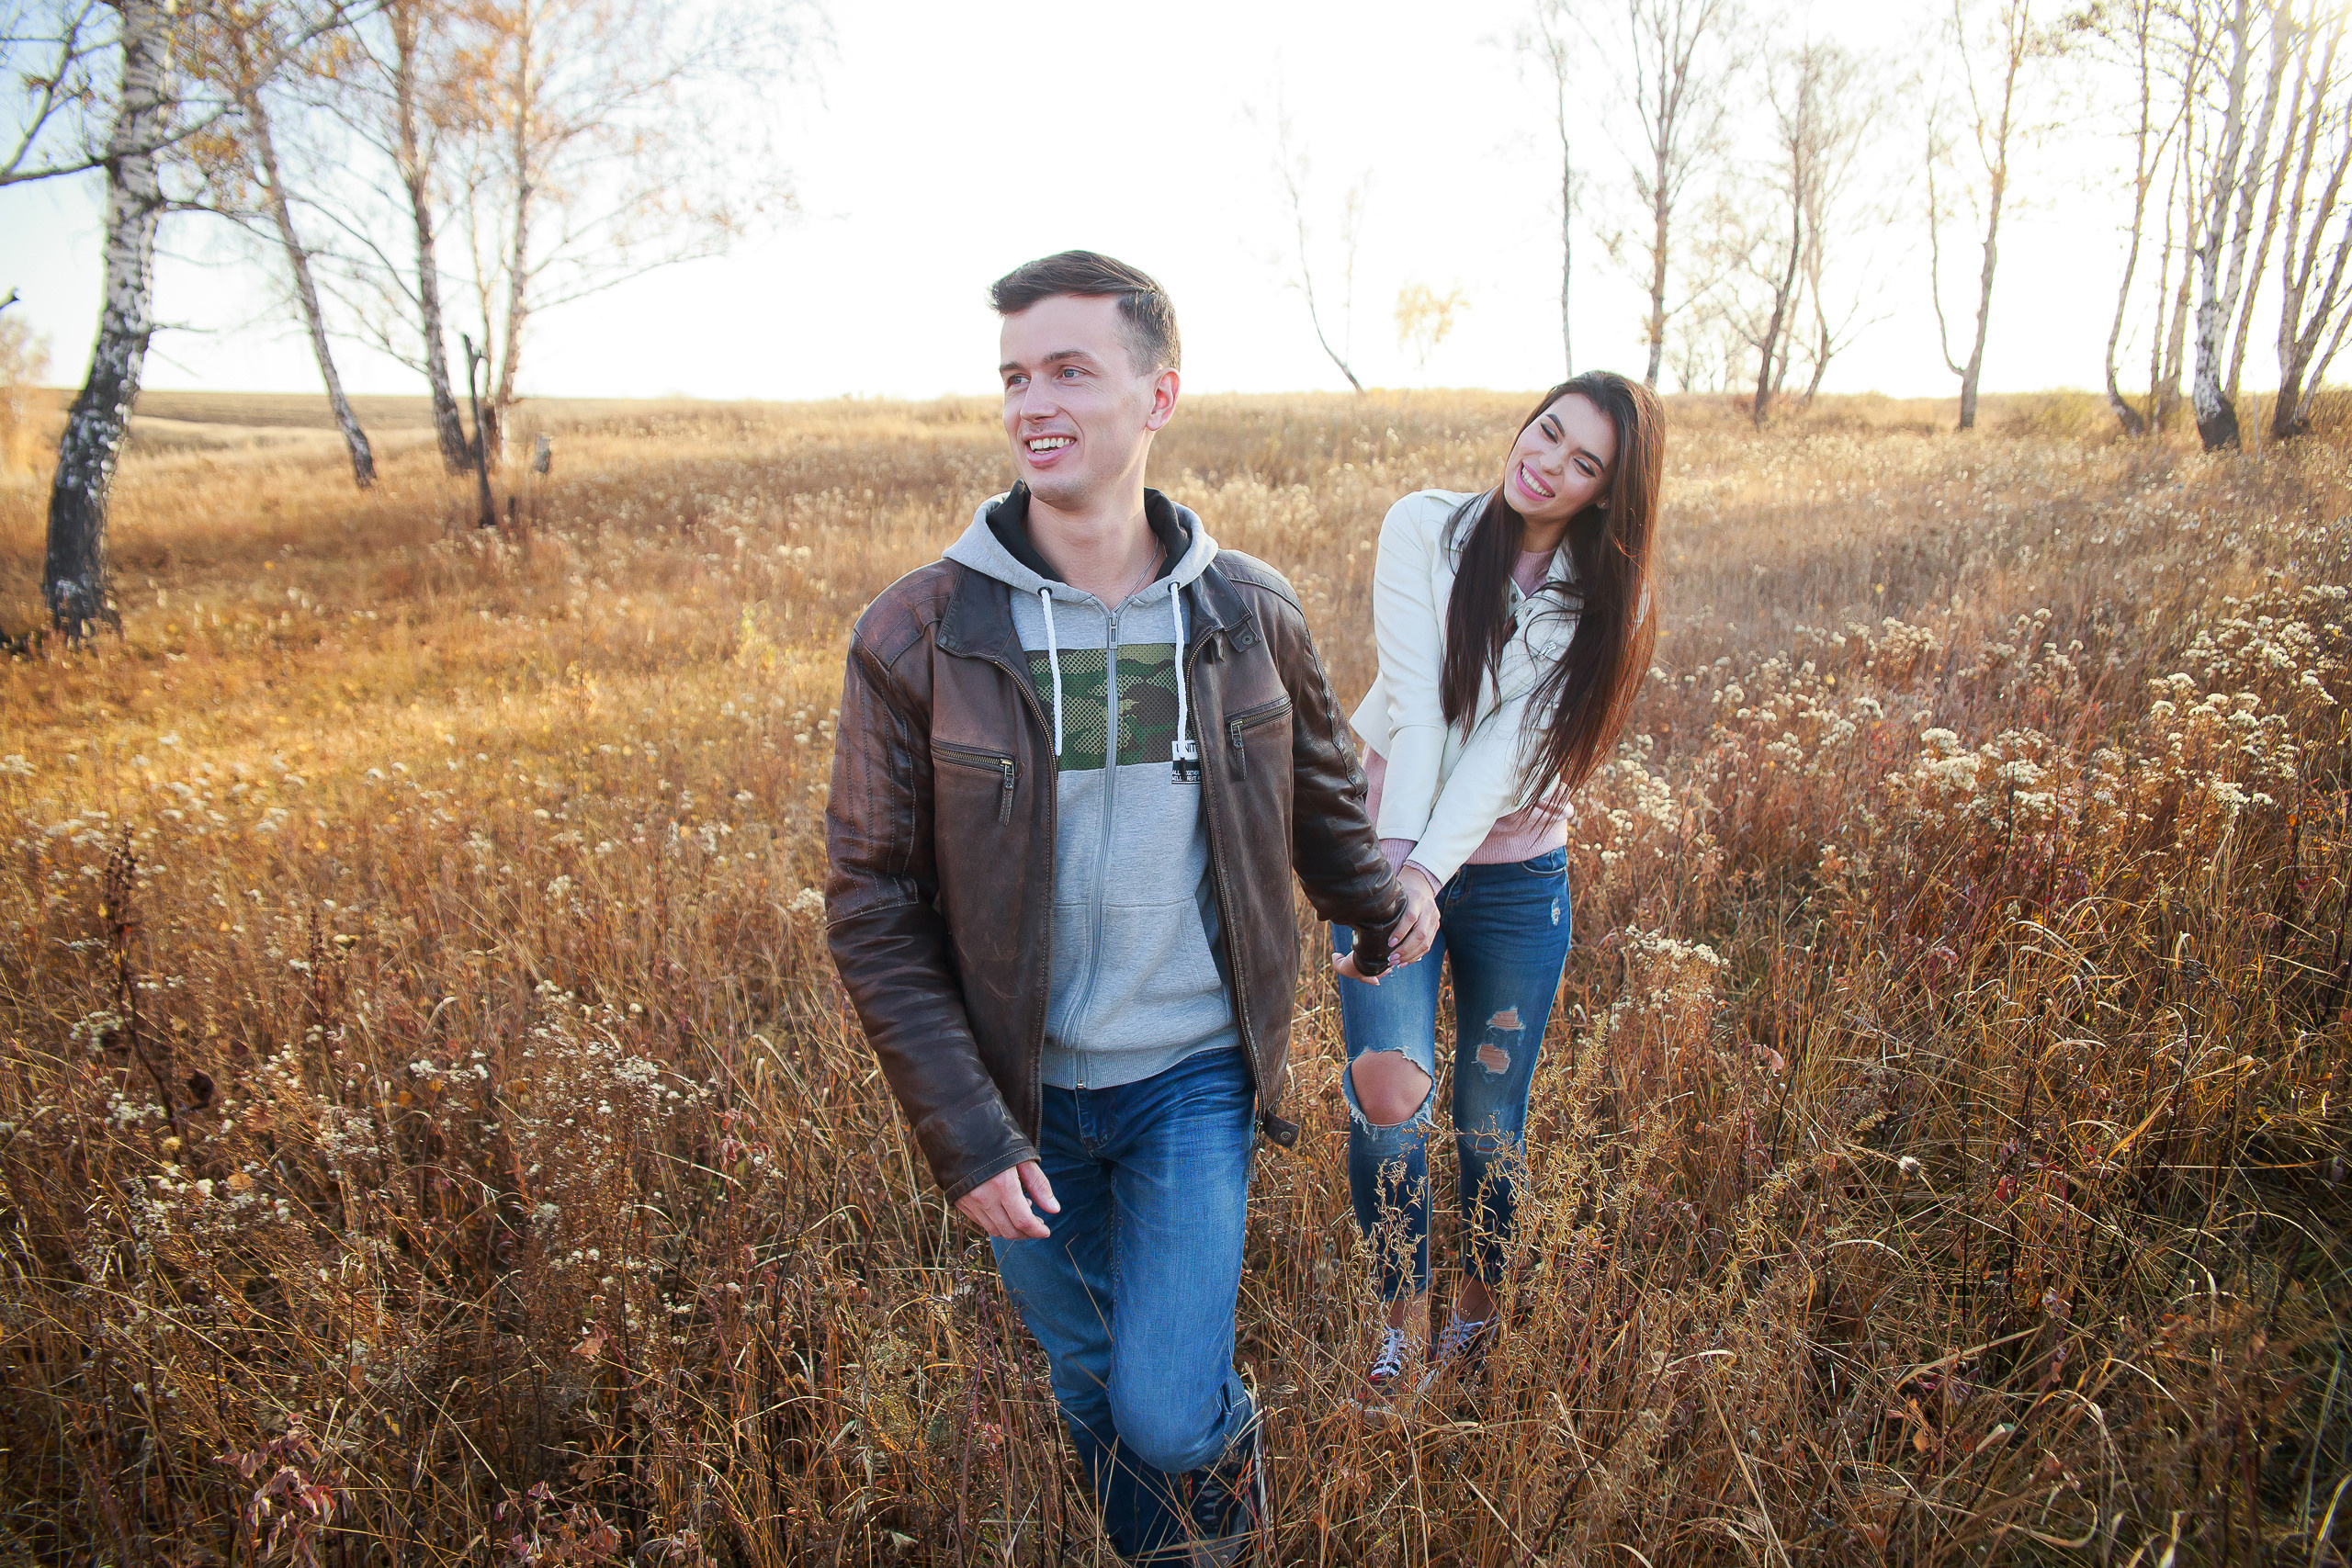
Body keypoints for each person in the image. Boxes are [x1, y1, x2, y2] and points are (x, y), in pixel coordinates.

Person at [824, 251, 1412, 1563]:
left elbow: (1317, 794)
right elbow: (871, 901)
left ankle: (1225, 1492)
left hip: (1188, 1080)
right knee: (1089, 1379)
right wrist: (967, 1135)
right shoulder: (921, 631)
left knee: (1156, 1396)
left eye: (1071, 370)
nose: (1034, 400)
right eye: (1016, 376)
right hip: (1017, 1091)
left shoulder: (1245, 611)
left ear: (1160, 395)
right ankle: (1171, 1550)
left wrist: (1379, 907)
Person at [1332, 371, 1664, 1401]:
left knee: (1486, 1124)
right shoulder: (1422, 530)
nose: (1547, 463)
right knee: (1388, 1103)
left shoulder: (1605, 600)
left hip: (1515, 880)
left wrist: (1433, 871)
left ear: (1607, 494)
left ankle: (1469, 1324)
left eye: (1582, 464)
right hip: (1386, 850)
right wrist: (1397, 877)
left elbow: (1504, 751)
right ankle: (1399, 1322)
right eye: (1547, 432)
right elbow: (1425, 714)